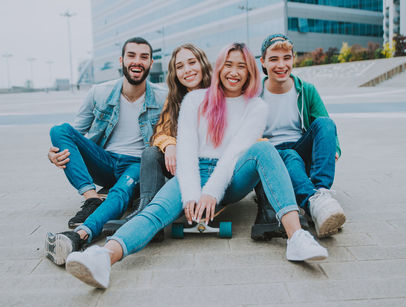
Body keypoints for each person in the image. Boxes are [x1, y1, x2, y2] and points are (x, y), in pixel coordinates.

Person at [64, 42, 328, 289]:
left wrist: (210, 193)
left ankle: (296, 238)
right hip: (192, 172)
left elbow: (233, 155)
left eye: (242, 66)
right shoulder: (196, 100)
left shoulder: (256, 107)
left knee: (264, 148)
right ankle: (104, 258)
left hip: (231, 177)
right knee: (155, 211)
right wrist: (191, 195)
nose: (234, 72)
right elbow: (187, 152)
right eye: (229, 64)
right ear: (219, 67)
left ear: (251, 71)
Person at [44, 37, 167, 265]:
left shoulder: (162, 97)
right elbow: (73, 135)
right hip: (105, 162)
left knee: (119, 193)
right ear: (122, 60)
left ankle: (80, 235)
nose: (137, 61)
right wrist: (53, 154)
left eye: (143, 57)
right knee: (59, 130)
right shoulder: (99, 93)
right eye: (131, 55)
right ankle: (91, 198)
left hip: (138, 165)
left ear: (151, 62)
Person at [101, 44, 213, 236]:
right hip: (184, 168)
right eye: (180, 66)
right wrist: (169, 144)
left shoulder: (219, 94)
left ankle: (268, 213)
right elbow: (160, 132)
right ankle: (145, 211)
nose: (187, 70)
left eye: (192, 63)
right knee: (151, 152)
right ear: (174, 73)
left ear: (203, 64)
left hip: (212, 169)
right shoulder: (175, 99)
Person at [252, 34, 345, 239]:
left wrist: (334, 149)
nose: (281, 65)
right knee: (289, 156)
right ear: (263, 62)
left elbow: (324, 123)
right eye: (274, 59)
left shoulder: (306, 90)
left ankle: (321, 192)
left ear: (293, 59)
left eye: (287, 58)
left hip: (300, 147)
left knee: (325, 124)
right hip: (272, 153)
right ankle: (314, 203)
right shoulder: (254, 93)